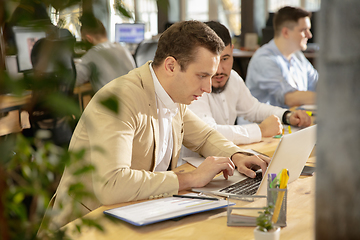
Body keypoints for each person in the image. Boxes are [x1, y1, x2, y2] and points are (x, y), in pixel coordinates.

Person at [50, 20, 270, 228]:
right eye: (201, 76)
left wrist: (237, 155)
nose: (207, 88)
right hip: (86, 223)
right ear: (171, 66)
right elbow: (112, 185)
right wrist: (190, 178)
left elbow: (204, 137)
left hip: (136, 212)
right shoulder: (121, 99)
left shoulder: (173, 95)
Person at [185, 21, 311, 146]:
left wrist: (287, 116)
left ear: (232, 51)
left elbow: (253, 109)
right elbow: (209, 133)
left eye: (225, 59)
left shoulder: (233, 77)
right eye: (214, 61)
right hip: (192, 164)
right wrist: (260, 130)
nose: (219, 70)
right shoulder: (194, 85)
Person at [246, 6, 318, 108]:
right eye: (303, 30)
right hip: (260, 123)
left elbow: (317, 84)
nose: (309, 35)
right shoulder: (264, 59)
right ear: (286, 32)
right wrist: (333, 97)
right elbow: (289, 98)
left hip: (290, 120)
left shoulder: (298, 56)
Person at [75, 15, 136, 92]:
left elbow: (74, 80)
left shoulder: (92, 55)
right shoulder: (123, 49)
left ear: (89, 39)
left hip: (112, 103)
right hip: (134, 101)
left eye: (83, 40)